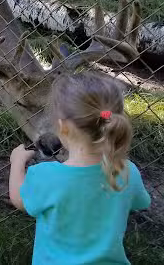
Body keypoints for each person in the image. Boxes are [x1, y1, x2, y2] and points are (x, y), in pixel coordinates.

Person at [9, 71, 151, 264]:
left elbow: (19, 199)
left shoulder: (46, 176)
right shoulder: (127, 172)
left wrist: (17, 162)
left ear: (63, 127)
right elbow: (142, 201)